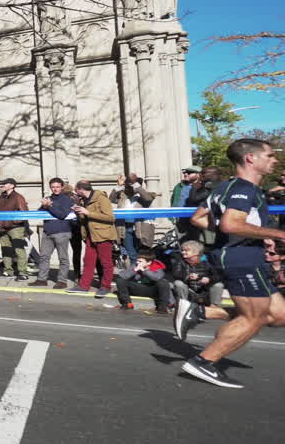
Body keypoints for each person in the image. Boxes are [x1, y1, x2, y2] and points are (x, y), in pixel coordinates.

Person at [178, 138, 285, 388]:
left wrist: (246, 233)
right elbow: (230, 224)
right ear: (250, 158)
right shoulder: (245, 189)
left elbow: (198, 218)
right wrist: (277, 234)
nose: (274, 160)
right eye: (269, 155)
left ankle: (200, 312)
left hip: (237, 255)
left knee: (279, 315)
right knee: (254, 318)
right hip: (241, 259)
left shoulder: (225, 187)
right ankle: (204, 361)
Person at [168, 240, 227, 340]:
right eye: (182, 251)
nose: (183, 252)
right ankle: (183, 305)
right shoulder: (180, 263)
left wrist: (208, 279)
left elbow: (218, 276)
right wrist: (187, 277)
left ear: (196, 253)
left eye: (187, 251)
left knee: (218, 285)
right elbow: (176, 275)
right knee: (178, 283)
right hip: (189, 290)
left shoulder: (207, 264)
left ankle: (214, 307)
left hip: (203, 291)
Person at [67, 180, 116, 297]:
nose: (75, 193)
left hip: (103, 235)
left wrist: (88, 212)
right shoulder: (84, 200)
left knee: (106, 262)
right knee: (88, 261)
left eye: (76, 190)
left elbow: (110, 217)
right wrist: (79, 211)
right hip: (91, 235)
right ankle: (84, 286)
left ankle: (105, 286)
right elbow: (84, 219)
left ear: (81, 189)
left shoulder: (101, 198)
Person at [31, 178, 76, 288]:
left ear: (62, 187)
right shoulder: (48, 198)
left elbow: (62, 214)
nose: (55, 189)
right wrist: (44, 205)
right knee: (44, 257)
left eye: (57, 187)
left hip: (62, 232)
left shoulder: (67, 199)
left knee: (63, 258)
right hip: (47, 231)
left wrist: (49, 206)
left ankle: (62, 281)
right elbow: (40, 213)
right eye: (53, 187)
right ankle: (42, 279)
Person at [111, 247, 172, 312]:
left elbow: (158, 277)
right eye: (137, 260)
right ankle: (127, 303)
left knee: (163, 282)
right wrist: (135, 270)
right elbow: (122, 275)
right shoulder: (135, 266)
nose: (137, 262)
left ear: (148, 262)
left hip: (152, 289)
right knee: (120, 280)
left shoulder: (157, 267)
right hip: (138, 288)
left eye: (140, 261)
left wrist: (145, 271)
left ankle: (162, 307)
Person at [0, 178, 30, 280]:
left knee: (19, 250)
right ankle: (8, 271)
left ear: (12, 185)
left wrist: (12, 222)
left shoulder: (18, 197)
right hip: (3, 228)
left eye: (5, 184)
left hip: (15, 228)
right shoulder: (2, 197)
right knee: (5, 250)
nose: (3, 185)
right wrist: (0, 223)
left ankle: (23, 272)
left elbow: (24, 213)